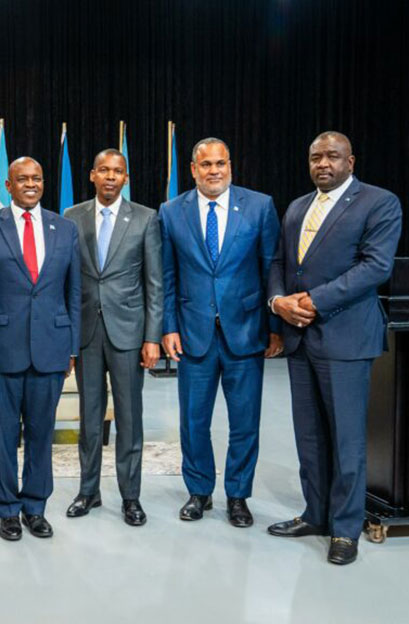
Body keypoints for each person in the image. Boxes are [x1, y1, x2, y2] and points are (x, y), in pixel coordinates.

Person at [266, 131, 402, 565]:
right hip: (300, 338)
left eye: (333, 156)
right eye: (315, 157)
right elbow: (280, 264)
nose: (323, 163)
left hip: (344, 336)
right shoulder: (297, 207)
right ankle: (316, 513)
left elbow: (376, 266)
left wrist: (313, 301)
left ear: (351, 161)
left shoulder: (379, 202)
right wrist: (278, 302)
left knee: (346, 439)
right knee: (309, 435)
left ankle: (345, 529)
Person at [158, 138, 282, 527]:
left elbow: (271, 270)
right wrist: (168, 327)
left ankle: (238, 495)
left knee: (244, 422)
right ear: (193, 169)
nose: (214, 171)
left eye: (221, 163)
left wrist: (274, 328)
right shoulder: (171, 211)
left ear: (231, 165)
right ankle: (199, 492)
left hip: (245, 332)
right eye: (206, 165)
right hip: (193, 334)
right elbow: (167, 276)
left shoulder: (260, 206)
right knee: (193, 421)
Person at [0, 156, 81, 541]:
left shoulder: (65, 229)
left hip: (50, 346)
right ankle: (7, 509)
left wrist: (72, 347)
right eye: (22, 179)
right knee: (2, 434)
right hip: (0, 348)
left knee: (41, 433)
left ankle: (35, 507)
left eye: (37, 177)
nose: (30, 184)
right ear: (8, 184)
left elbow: (73, 292)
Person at [63, 149, 162, 526]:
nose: (109, 176)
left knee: (129, 418)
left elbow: (154, 282)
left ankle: (131, 496)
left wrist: (152, 336)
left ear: (126, 178)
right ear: (91, 175)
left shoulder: (145, 218)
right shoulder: (71, 218)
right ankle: (88, 491)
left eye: (117, 171)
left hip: (128, 333)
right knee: (88, 419)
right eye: (103, 170)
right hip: (86, 332)